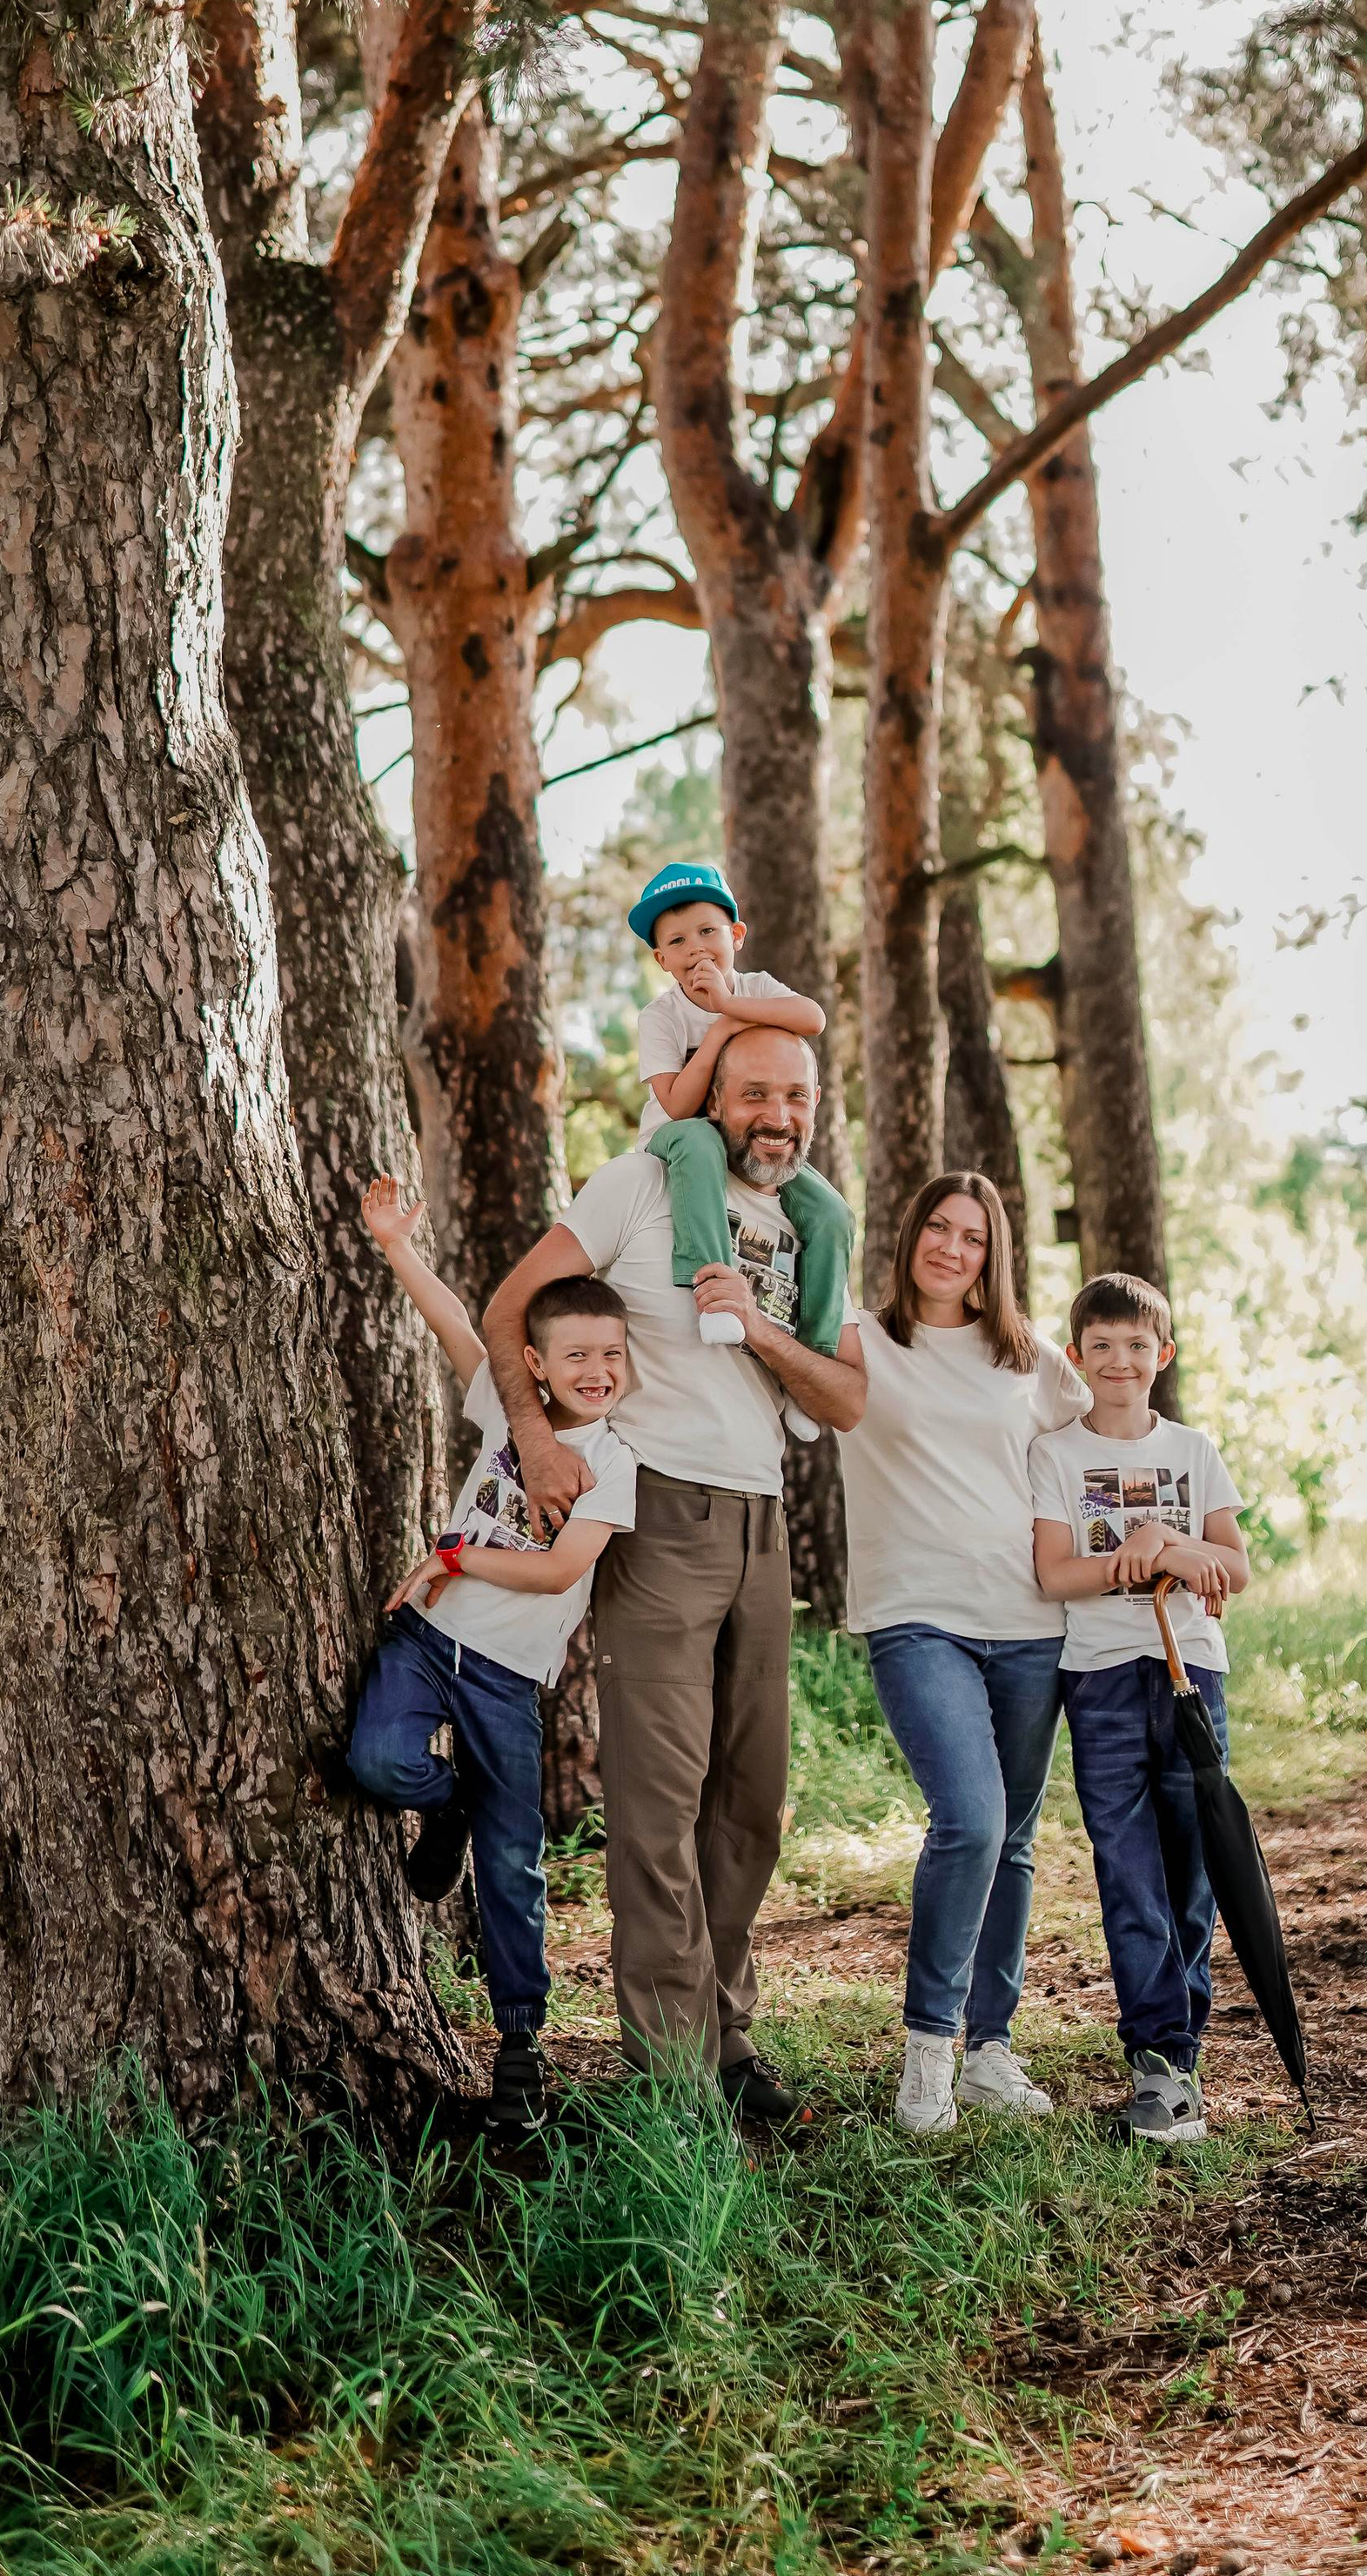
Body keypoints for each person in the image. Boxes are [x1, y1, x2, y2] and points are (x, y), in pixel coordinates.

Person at [483, 1026, 862, 2122]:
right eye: (753, 1092)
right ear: (714, 1096)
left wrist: (759, 1333)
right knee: (659, 1806)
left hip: (760, 1524)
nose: (775, 1114)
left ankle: (726, 2037)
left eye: (794, 1095)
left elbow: (839, 1400)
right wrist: (537, 1439)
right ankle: (671, 2076)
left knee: (750, 1806)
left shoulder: (808, 1223)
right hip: (655, 1521)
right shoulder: (640, 1183)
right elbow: (514, 1308)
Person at [341, 1177, 639, 2135]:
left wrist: (460, 1552)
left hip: (509, 1680)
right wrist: (395, 1246)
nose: (597, 1371)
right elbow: (458, 1331)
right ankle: (448, 1799)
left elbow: (560, 1573)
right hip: (430, 1643)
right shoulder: (511, 1418)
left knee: (513, 1865)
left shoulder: (614, 1464)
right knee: (377, 1762)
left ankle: (519, 2046)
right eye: (577, 1356)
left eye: (612, 1356)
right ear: (536, 1367)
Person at [823, 1173, 1091, 2137]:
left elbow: (1099, 1455)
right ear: (910, 1238)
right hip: (914, 1615)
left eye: (972, 1238)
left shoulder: (1034, 1361)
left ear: (994, 1254)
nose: (951, 1248)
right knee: (970, 1821)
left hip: (1030, 1625)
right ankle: (927, 2056)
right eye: (936, 1227)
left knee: (1013, 1838)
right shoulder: (860, 1339)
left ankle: (989, 2051)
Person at [1031, 1270, 1251, 2148]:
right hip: (1100, 1680)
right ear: (1076, 1356)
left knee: (1193, 1870)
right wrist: (1153, 1551)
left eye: (1135, 1346)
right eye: (1099, 1347)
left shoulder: (1193, 1451)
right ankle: (1156, 2063)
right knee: (1128, 1875)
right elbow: (1055, 1574)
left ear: (1162, 1355)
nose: (1118, 1362)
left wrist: (1173, 1542)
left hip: (1189, 1675)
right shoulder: (1055, 1454)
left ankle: (1181, 2054)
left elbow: (1232, 1567)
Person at [627, 862, 853, 1408]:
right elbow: (680, 1106)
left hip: (744, 1144)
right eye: (677, 941)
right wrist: (723, 1029)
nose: (696, 948)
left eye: (708, 932)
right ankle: (715, 1293)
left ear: (736, 936)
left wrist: (728, 1006)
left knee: (830, 1211)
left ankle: (816, 1349)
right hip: (680, 1141)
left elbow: (813, 1017)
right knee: (701, 1141)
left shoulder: (754, 989)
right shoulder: (661, 1018)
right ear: (662, 960)